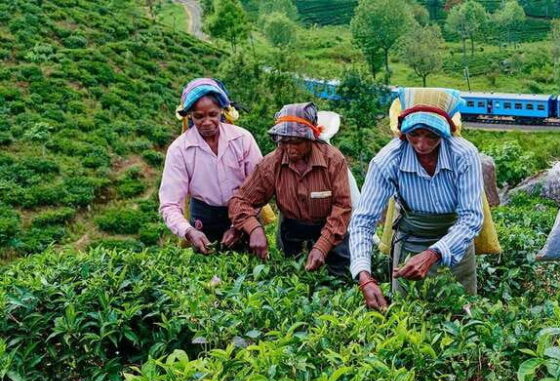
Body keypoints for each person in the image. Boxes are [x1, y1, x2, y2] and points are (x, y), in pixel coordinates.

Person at [349, 88, 484, 310]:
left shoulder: (464, 155)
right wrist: (364, 276)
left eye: (431, 135)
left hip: (455, 245)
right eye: (414, 135)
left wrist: (433, 254)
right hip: (411, 241)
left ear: (445, 132)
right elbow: (363, 221)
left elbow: (471, 218)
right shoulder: (387, 160)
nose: (422, 144)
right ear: (403, 132)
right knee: (410, 316)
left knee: (460, 317)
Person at [228, 103, 352, 278]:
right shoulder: (272, 163)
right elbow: (240, 201)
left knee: (338, 282)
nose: (290, 148)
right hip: (292, 234)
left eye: (297, 142)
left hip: (332, 234)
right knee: (294, 282)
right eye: (284, 141)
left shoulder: (333, 160)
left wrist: (323, 245)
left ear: (311, 138)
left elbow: (342, 207)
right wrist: (254, 228)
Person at [159, 78, 262, 254]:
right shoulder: (179, 150)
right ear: (190, 114)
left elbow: (259, 188)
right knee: (207, 273)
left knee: (246, 270)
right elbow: (169, 204)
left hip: (243, 215)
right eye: (199, 116)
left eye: (212, 114)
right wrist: (189, 232)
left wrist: (239, 226)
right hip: (203, 220)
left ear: (222, 111)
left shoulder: (242, 139)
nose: (206, 122)